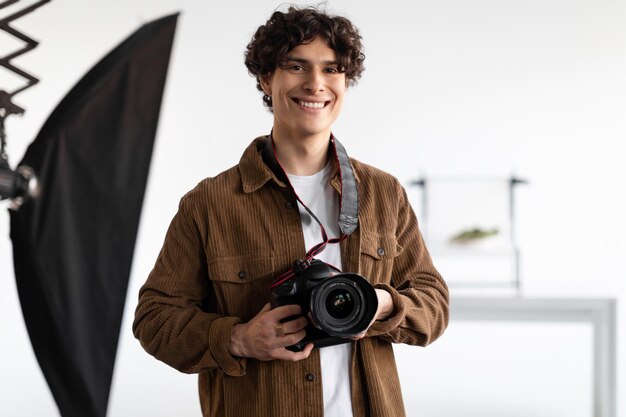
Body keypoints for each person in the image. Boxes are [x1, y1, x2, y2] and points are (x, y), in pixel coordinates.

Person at [133, 6, 449, 417]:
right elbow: (154, 319)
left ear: (345, 82)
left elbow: (434, 304)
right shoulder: (210, 203)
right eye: (296, 66)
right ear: (267, 78)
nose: (316, 84)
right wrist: (238, 339)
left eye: (332, 69)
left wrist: (381, 304)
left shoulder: (383, 193)